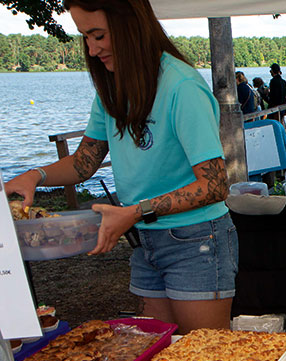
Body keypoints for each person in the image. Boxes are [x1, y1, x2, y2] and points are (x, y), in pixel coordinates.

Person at [4, 0, 238, 335]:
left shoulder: (181, 86)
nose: (92, 48)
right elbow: (85, 162)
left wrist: (136, 211)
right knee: (152, 355)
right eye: (85, 37)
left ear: (130, 26)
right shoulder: (111, 88)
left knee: (202, 357)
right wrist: (34, 176)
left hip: (197, 241)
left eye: (98, 35)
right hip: (145, 240)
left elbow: (215, 184)